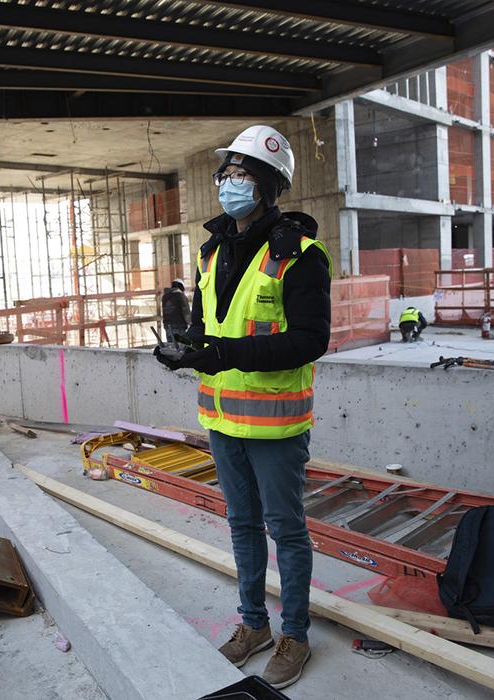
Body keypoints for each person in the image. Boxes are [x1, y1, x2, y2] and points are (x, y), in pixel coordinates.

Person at [153, 125, 331, 690]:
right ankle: (253, 625)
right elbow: (212, 332)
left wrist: (227, 352)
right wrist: (188, 349)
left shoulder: (300, 254)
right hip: (222, 419)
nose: (229, 184)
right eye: (225, 174)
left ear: (270, 186)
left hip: (276, 422)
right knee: (241, 526)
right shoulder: (211, 251)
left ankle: (294, 635)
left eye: (241, 175)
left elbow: (310, 340)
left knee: (287, 529)